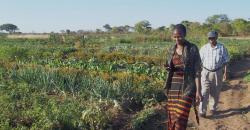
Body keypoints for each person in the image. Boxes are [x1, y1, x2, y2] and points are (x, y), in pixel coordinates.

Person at [164, 24, 202, 130]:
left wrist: (198, 91)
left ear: (185, 35)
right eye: (175, 37)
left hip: (188, 87)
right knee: (172, 117)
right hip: (173, 87)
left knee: (180, 116)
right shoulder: (171, 49)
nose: (177, 39)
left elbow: (197, 71)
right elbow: (169, 67)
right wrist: (168, 67)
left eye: (179, 36)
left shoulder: (192, 49)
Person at [199, 31, 230, 117]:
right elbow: (199, 62)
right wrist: (198, 73)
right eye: (209, 38)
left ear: (216, 38)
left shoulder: (222, 48)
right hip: (205, 72)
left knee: (215, 91)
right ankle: (202, 111)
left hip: (218, 72)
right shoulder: (204, 48)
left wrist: (225, 73)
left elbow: (226, 61)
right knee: (204, 91)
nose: (211, 40)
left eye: (213, 38)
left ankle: (213, 108)